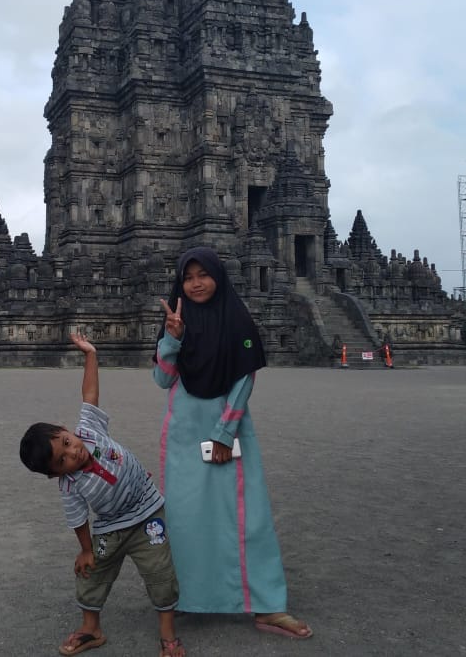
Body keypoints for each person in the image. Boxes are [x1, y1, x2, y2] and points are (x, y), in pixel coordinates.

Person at [152, 246, 313, 640]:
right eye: (188, 278)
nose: (195, 284)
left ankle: (268, 605)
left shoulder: (236, 319)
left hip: (229, 427)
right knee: (187, 520)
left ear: (217, 276)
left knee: (248, 518)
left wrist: (225, 433)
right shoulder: (178, 321)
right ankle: (188, 597)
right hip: (184, 431)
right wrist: (173, 338)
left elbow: (244, 378)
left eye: (202, 275)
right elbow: (162, 380)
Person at [20, 334, 187, 657]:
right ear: (56, 473)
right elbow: (78, 519)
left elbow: (90, 393)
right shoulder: (70, 485)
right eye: (63, 459)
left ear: (68, 430)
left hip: (149, 512)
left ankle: (167, 634)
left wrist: (91, 355)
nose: (74, 452)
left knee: (160, 572)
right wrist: (86, 550)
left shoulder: (89, 431)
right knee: (92, 573)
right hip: (111, 527)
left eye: (67, 442)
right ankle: (91, 628)